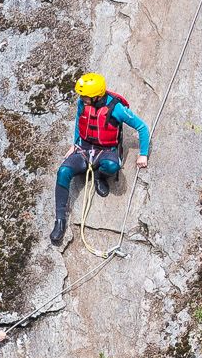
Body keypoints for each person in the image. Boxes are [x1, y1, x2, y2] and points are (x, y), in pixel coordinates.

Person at [54, 71, 151, 244]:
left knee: (112, 166)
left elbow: (142, 127)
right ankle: (60, 220)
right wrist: (75, 143)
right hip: (84, 148)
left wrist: (142, 155)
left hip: (106, 150)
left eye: (85, 96)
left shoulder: (117, 109)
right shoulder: (83, 103)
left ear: (97, 96)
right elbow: (79, 121)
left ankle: (100, 176)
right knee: (63, 172)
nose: (82, 98)